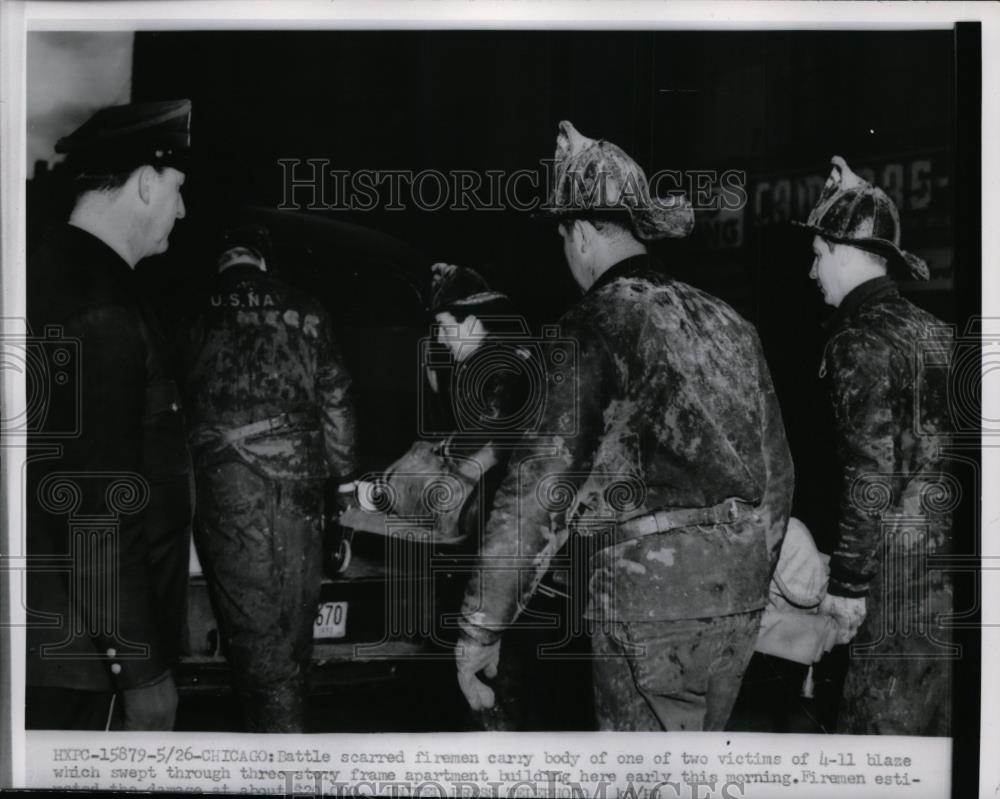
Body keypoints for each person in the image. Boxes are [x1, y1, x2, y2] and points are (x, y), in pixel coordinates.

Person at [454, 120, 794, 731]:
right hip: (740, 589)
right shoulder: (729, 321)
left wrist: (482, 624)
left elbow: (542, 485)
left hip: (653, 598)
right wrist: (741, 573)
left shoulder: (595, 322)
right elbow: (777, 473)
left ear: (581, 233)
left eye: (564, 240)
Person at [26, 99, 194, 730]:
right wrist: (142, 671)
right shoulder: (101, 307)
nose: (181, 210)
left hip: (60, 639)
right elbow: (95, 507)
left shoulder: (54, 273)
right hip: (87, 659)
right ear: (147, 183)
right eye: (177, 191)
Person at [177, 224, 357, 732]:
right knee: (296, 628)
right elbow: (338, 400)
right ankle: (285, 742)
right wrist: (342, 483)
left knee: (252, 634)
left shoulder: (187, 312)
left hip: (227, 488)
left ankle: (275, 750)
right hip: (299, 487)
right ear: (262, 259)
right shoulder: (308, 307)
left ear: (220, 261)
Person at [796, 155, 953, 735]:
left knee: (874, 747)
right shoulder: (935, 330)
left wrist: (847, 587)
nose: (814, 274)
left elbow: (871, 472)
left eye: (817, 256)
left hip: (895, 579)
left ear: (842, 251)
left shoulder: (857, 339)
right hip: (952, 572)